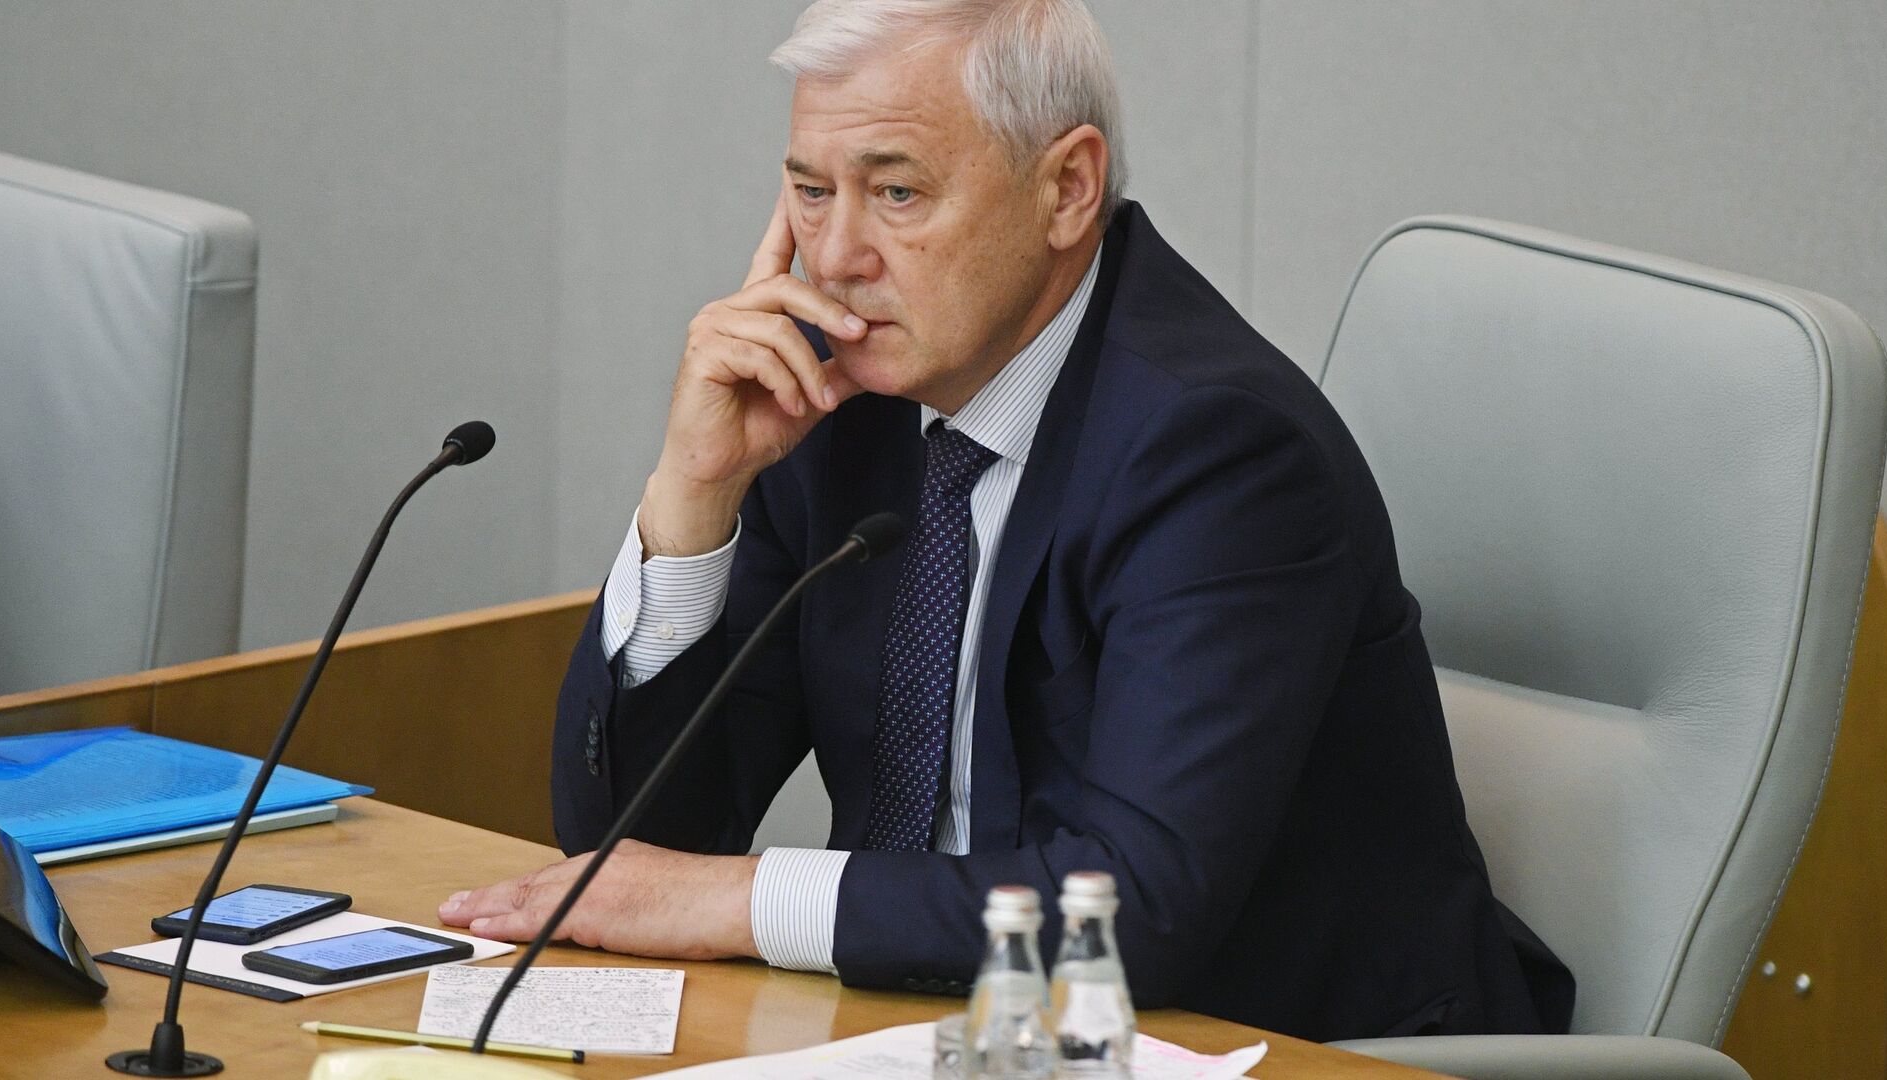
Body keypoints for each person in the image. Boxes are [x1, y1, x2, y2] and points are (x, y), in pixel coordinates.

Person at [439, 0, 1573, 1041]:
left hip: (1277, 1047)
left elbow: (1134, 909)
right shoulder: (839, 404)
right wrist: (694, 493)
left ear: (1067, 188)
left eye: (896, 194)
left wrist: (742, 901)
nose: (836, 259)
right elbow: (634, 844)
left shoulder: (1218, 450)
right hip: (938, 1031)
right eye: (811, 193)